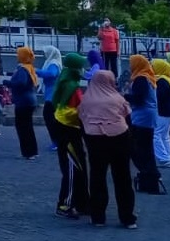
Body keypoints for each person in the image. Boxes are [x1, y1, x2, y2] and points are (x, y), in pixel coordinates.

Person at [79, 70, 136, 229]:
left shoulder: (87, 100)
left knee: (97, 177)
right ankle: (127, 218)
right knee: (123, 178)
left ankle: (98, 217)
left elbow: (82, 120)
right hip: (119, 138)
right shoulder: (118, 98)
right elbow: (127, 118)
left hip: (95, 140)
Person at [53, 52, 89, 218]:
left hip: (70, 129)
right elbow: (70, 109)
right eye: (81, 66)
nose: (83, 69)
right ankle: (64, 204)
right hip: (69, 130)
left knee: (79, 168)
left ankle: (81, 203)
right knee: (72, 169)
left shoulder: (67, 81)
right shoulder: (70, 85)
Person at [125, 54, 162, 194]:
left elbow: (138, 99)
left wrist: (123, 96)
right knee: (146, 148)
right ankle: (150, 178)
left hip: (142, 117)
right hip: (147, 116)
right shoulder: (147, 76)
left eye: (131, 63)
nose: (129, 66)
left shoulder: (141, 78)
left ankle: (149, 175)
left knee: (139, 147)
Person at [5, 46, 39, 160]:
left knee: (22, 127)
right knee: (28, 127)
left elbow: (21, 83)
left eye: (18, 54)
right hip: (30, 100)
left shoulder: (23, 69)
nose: (17, 56)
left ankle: (27, 153)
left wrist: (7, 83)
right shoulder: (29, 67)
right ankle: (32, 151)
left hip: (23, 102)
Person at [151, 58, 170, 169]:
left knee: (156, 135)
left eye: (153, 66)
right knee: (164, 135)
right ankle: (168, 158)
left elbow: (158, 97)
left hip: (164, 112)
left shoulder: (161, 81)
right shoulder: (167, 79)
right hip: (169, 111)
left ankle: (164, 158)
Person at [37, 47, 63, 150]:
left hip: (53, 95)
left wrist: (38, 71)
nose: (44, 55)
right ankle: (56, 141)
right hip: (51, 93)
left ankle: (56, 141)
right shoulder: (51, 62)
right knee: (51, 118)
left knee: (49, 118)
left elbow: (52, 74)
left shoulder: (53, 63)